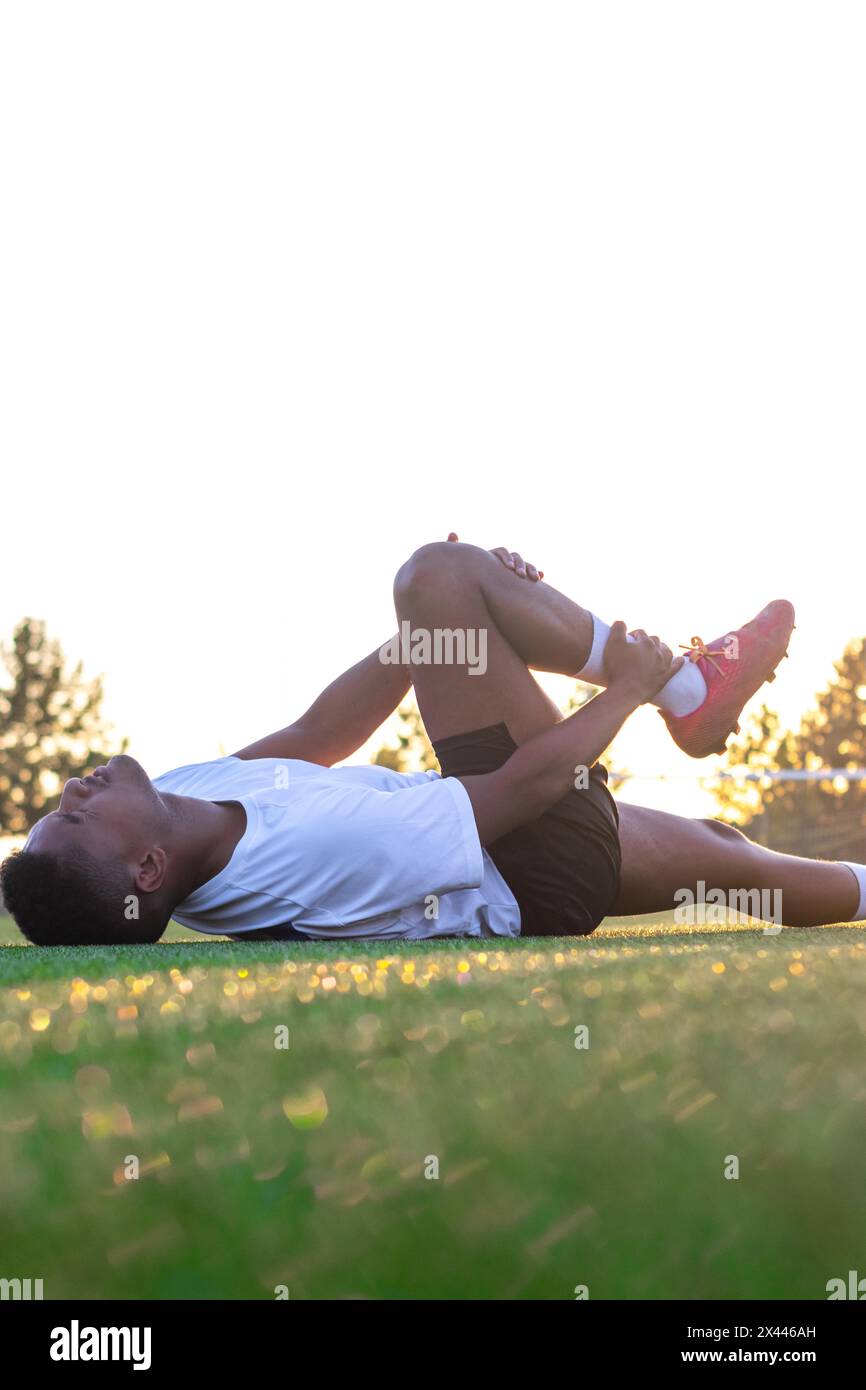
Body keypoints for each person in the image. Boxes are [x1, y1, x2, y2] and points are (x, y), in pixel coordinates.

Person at [2, 537, 863, 944]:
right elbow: (522, 791)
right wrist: (633, 691)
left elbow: (317, 734)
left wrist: (440, 630)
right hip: (529, 856)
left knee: (732, 860)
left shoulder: (186, 795)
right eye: (75, 821)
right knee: (437, 574)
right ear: (147, 871)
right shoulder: (311, 855)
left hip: (513, 851)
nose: (71, 793)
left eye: (60, 807)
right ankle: (689, 692)